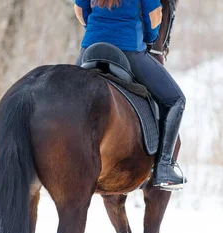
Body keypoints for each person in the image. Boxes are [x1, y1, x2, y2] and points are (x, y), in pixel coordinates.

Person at [74, 0, 187, 190]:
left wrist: (97, 27)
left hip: (90, 48)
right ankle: (164, 167)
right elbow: (154, 16)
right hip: (128, 49)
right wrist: (149, 38)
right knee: (176, 100)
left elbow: (79, 9)